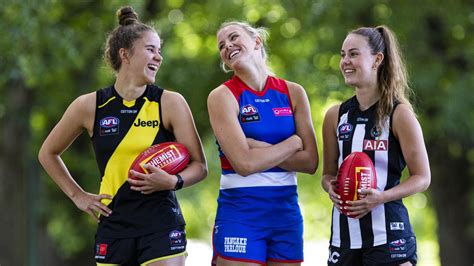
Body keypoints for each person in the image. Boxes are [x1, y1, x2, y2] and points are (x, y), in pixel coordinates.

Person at [38, 6, 207, 266]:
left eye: (159, 51)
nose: (159, 57)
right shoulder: (89, 105)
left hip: (161, 225)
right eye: (151, 49)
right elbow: (48, 153)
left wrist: (173, 181)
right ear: (125, 54)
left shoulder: (170, 102)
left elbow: (200, 166)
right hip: (113, 227)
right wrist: (78, 195)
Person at [208, 21, 318, 266]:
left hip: (285, 211)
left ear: (256, 41)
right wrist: (293, 143)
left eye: (234, 37)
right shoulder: (221, 96)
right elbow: (244, 164)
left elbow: (310, 162)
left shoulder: (293, 92)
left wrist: (258, 147)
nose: (227, 46)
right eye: (221, 46)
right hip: (241, 211)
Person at [321, 25, 431, 266]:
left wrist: (381, 197)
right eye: (343, 55)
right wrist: (330, 186)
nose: (345, 61)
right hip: (344, 238)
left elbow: (422, 177)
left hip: (389, 236)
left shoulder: (399, 114)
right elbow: (327, 174)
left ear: (377, 59)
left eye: (353, 54)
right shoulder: (335, 116)